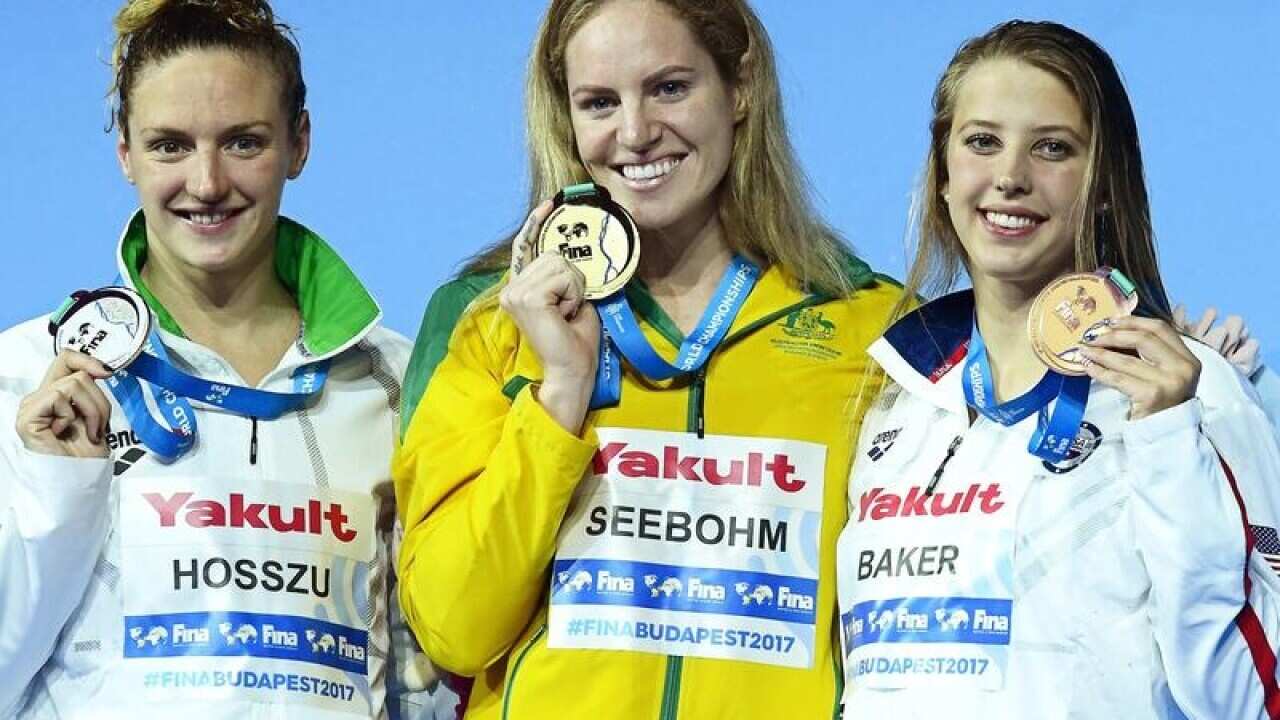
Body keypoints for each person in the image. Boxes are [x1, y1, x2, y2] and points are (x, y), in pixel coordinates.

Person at [392, 0, 901, 717]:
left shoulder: (870, 325)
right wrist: (560, 393)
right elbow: (453, 630)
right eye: (599, 102)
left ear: (741, 87)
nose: (634, 133)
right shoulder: (489, 320)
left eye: (669, 88)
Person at [0, 1, 454, 717]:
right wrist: (57, 490)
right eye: (169, 145)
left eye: (243, 143)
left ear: (299, 143)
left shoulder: (396, 382)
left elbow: (426, 676)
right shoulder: (26, 377)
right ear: (124, 152)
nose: (207, 183)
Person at [835, 20, 1280, 718]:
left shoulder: (1190, 391)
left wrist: (1167, 444)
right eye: (982, 142)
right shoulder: (897, 404)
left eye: (1052, 148)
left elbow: (1252, 697)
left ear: (1103, 183)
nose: (1010, 177)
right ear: (944, 174)